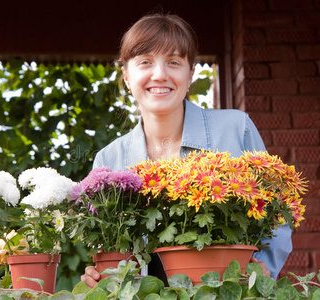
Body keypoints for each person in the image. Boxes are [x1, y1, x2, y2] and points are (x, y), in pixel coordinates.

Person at [80, 13, 292, 288]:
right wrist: (99, 278)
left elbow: (278, 220)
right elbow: (105, 244)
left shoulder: (235, 129)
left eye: (174, 62)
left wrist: (261, 275)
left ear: (190, 74)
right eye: (145, 62)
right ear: (127, 77)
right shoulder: (109, 160)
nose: (160, 74)